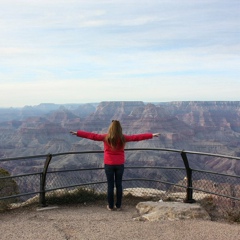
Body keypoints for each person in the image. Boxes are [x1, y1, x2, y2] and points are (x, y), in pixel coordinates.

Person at [70, 120, 160, 211]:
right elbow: (136, 137)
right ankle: (119, 206)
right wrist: (151, 135)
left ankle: (110, 206)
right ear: (120, 129)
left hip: (109, 164)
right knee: (119, 185)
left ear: (111, 128)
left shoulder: (106, 137)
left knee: (110, 186)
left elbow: (92, 136)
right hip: (120, 164)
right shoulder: (123, 138)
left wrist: (78, 133)